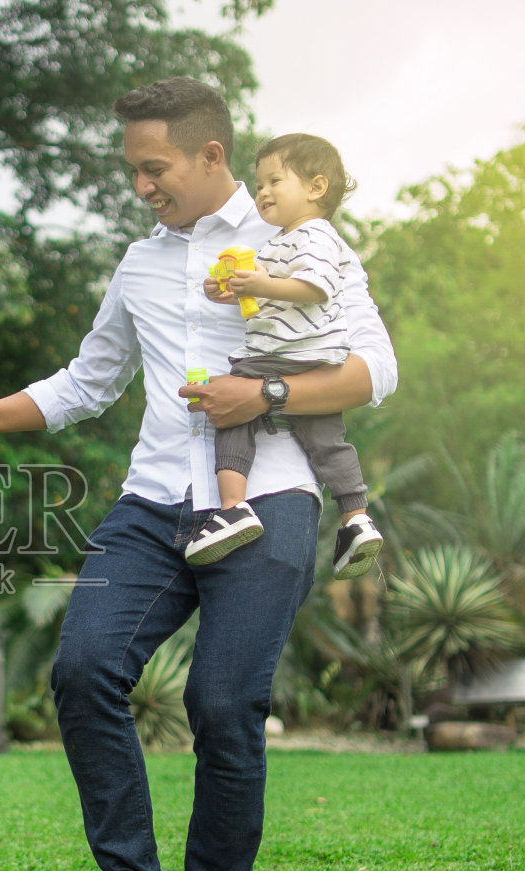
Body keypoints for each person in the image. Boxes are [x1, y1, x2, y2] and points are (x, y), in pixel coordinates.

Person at [0, 77, 396, 871]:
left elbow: (376, 369)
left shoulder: (297, 240)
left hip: (268, 494)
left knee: (224, 701)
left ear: (210, 155)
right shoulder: (140, 262)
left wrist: (259, 391)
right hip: (153, 502)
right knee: (83, 669)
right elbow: (89, 380)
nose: (142, 186)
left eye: (156, 169)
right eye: (135, 172)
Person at [183, 133, 384, 579]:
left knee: (231, 413)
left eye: (275, 181)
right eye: (259, 185)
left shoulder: (313, 235)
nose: (263, 192)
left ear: (315, 187)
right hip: (313, 357)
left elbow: (314, 288)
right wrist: (227, 291)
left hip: (281, 354)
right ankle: (356, 518)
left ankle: (233, 509)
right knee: (326, 440)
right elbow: (267, 298)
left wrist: (261, 284)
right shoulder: (281, 241)